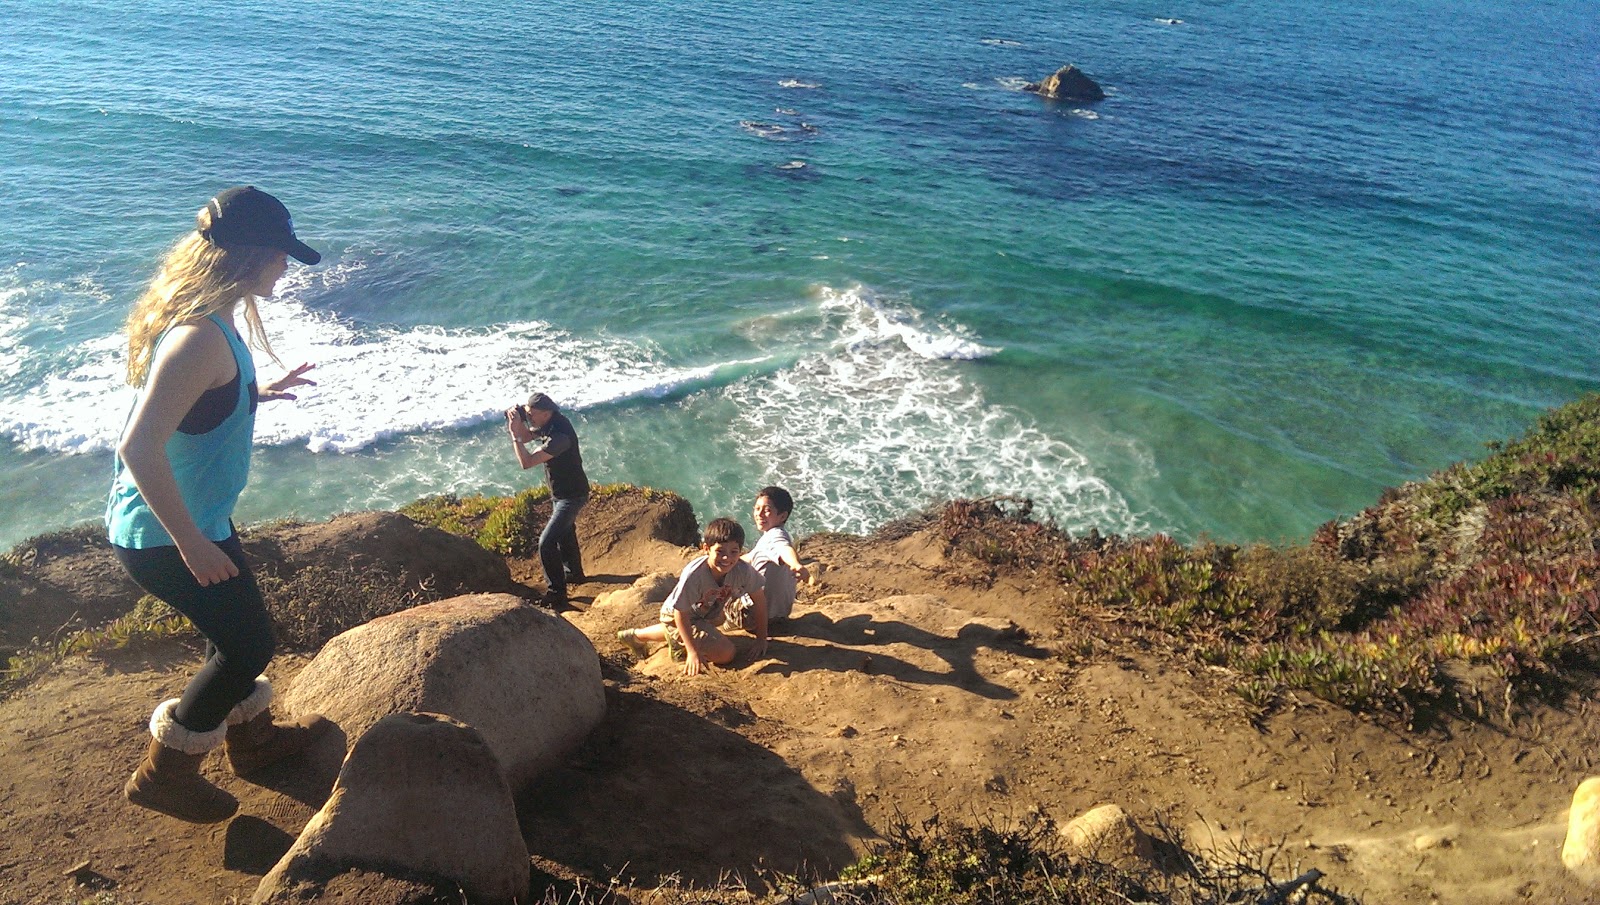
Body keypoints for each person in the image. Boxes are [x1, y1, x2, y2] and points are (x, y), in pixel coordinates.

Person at [106, 186, 332, 823]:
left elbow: (203, 403)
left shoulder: (214, 319)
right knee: (246, 646)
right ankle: (164, 774)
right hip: (163, 532)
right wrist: (190, 543)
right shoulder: (198, 338)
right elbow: (138, 446)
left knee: (236, 634)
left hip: (194, 519)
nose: (286, 267)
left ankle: (252, 744)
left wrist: (259, 393)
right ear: (248, 257)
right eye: (280, 256)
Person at [617, 517, 769, 676]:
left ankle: (635, 636)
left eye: (734, 552)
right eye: (720, 551)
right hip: (677, 614)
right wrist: (692, 651)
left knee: (722, 619)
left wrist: (761, 639)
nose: (727, 558)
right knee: (727, 653)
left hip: (706, 612)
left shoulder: (743, 571)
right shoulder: (694, 575)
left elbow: (760, 601)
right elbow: (679, 613)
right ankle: (680, 646)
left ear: (741, 552)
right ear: (706, 549)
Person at [505, 392, 589, 606]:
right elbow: (527, 436)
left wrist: (514, 434)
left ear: (545, 413)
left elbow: (526, 461)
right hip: (561, 492)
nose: (529, 417)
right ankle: (575, 574)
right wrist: (517, 423)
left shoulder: (560, 437)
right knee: (565, 533)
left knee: (547, 542)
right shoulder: (550, 422)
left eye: (531, 414)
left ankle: (557, 594)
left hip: (571, 495)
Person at [742, 485, 808, 625]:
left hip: (754, 617)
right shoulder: (773, 535)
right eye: (757, 508)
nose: (759, 514)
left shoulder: (776, 536)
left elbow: (784, 549)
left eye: (767, 510)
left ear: (782, 516)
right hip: (779, 615)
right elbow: (749, 558)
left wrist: (795, 564)